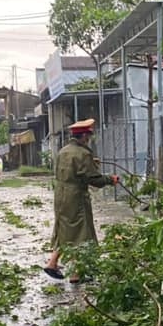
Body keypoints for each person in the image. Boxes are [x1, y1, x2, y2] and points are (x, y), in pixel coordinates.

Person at [43, 118, 119, 283]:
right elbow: (92, 179)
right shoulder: (83, 153)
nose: (89, 139)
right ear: (84, 136)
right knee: (80, 232)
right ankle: (76, 273)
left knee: (63, 229)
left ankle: (52, 262)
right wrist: (109, 179)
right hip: (75, 196)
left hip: (60, 194)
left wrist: (92, 163)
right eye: (88, 136)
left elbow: (71, 169)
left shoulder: (63, 151)